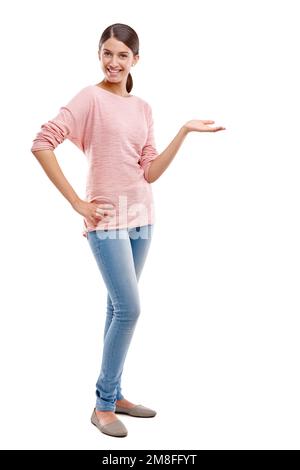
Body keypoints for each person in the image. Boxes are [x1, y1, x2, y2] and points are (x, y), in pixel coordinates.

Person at [31, 23, 226, 438]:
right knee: (129, 309)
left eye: (122, 55)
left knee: (117, 307)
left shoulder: (143, 108)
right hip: (105, 220)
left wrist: (184, 132)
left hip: (142, 216)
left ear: (136, 59)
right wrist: (77, 203)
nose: (114, 62)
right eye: (107, 53)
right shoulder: (89, 99)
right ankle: (102, 404)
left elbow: (149, 171)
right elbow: (42, 142)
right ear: (99, 55)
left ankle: (115, 393)